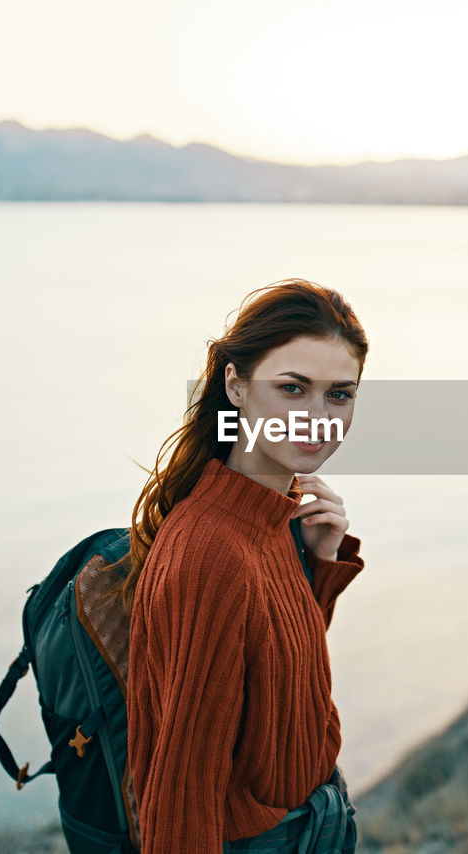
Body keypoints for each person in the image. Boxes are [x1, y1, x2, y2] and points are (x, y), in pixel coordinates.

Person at [112, 278, 369, 853]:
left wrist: (319, 567)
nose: (317, 417)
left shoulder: (277, 517)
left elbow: (277, 692)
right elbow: (182, 786)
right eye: (292, 387)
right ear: (236, 384)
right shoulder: (210, 550)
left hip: (315, 823)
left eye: (339, 394)